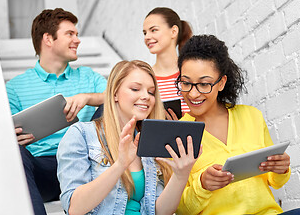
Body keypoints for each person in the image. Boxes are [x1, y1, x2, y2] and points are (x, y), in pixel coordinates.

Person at [175, 35, 300, 215]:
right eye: (186, 83)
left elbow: (275, 181)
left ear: (221, 83)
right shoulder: (177, 134)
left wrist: (281, 168)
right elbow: (180, 210)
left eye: (204, 84)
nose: (193, 93)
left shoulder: (251, 116)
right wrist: (203, 185)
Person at [57, 60, 200, 214]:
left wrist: (181, 175)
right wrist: (120, 165)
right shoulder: (81, 135)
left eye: (151, 92)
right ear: (114, 93)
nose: (146, 96)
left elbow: (158, 211)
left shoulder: (148, 142)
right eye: (135, 89)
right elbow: (74, 208)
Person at [5, 8, 107, 215]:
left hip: (85, 164)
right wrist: (11, 137)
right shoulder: (15, 87)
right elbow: (6, 133)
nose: (77, 40)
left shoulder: (89, 77)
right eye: (70, 34)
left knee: (108, 107)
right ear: (48, 39)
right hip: (43, 169)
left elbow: (118, 96)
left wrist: (87, 97)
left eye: (77, 34)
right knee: (13, 151)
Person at [143, 7, 192, 120]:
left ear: (173, 31)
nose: (147, 37)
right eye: (145, 33)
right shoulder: (146, 77)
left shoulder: (191, 73)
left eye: (153, 30)